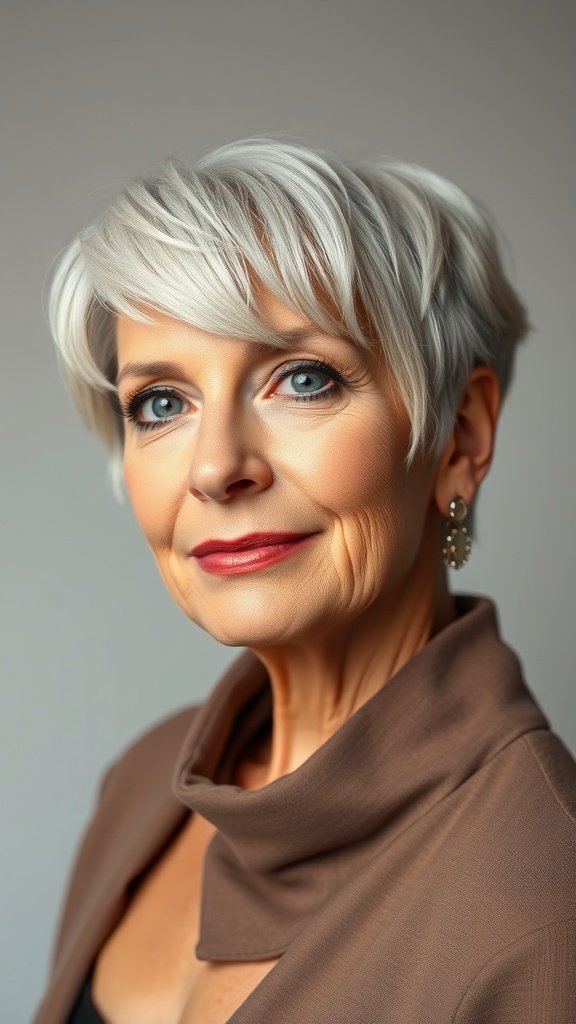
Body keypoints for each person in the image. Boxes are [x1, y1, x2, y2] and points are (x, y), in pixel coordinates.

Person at [34, 138, 576, 1024]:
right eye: (161, 402)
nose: (216, 468)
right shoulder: (140, 785)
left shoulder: (546, 898)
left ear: (461, 436)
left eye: (303, 378)